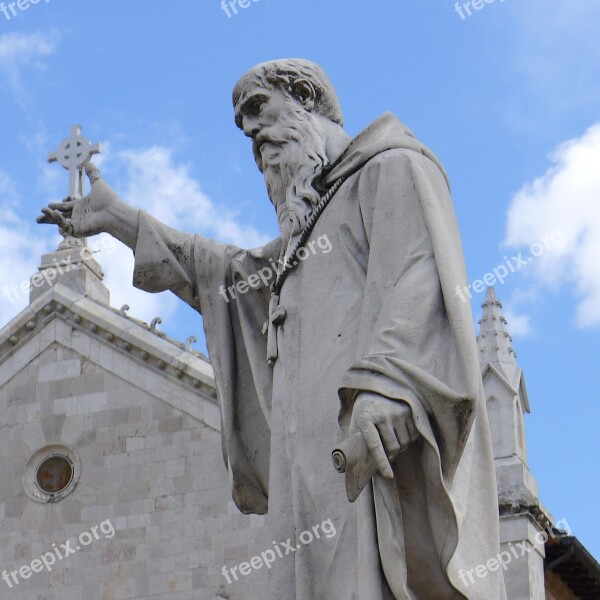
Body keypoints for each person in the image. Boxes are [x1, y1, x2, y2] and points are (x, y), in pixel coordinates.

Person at [39, 59, 506, 600]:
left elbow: (419, 275)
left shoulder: (390, 167)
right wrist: (122, 219)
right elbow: (221, 276)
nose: (253, 133)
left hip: (365, 436)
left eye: (258, 109)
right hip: (304, 468)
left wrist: (387, 384)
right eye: (242, 128)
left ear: (308, 99)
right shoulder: (301, 244)